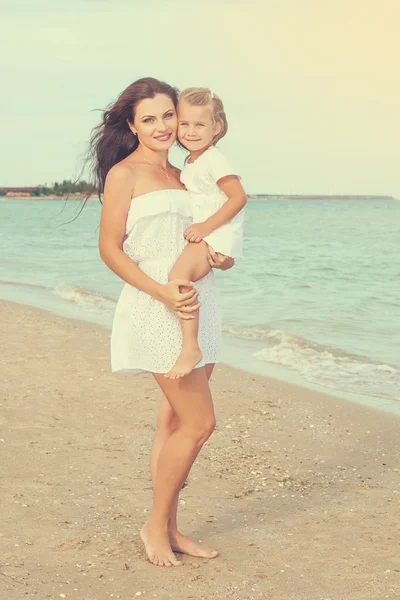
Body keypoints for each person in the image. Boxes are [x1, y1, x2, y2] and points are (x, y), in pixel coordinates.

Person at [95, 77, 234, 567]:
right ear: (131, 124)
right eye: (148, 118)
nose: (161, 126)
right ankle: (155, 525)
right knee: (200, 422)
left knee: (174, 421)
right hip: (156, 306)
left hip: (201, 305)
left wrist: (218, 258)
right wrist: (159, 292)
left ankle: (171, 528)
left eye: (167, 116)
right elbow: (109, 248)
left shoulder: (188, 175)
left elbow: (204, 235)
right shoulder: (125, 174)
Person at [165, 87, 247, 379]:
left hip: (217, 231)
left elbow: (238, 197)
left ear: (217, 127)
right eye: (184, 123)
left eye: (200, 124)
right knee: (180, 278)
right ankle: (189, 341)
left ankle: (190, 347)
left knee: (178, 275)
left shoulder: (214, 158)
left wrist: (205, 228)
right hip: (210, 232)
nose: (190, 131)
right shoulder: (191, 161)